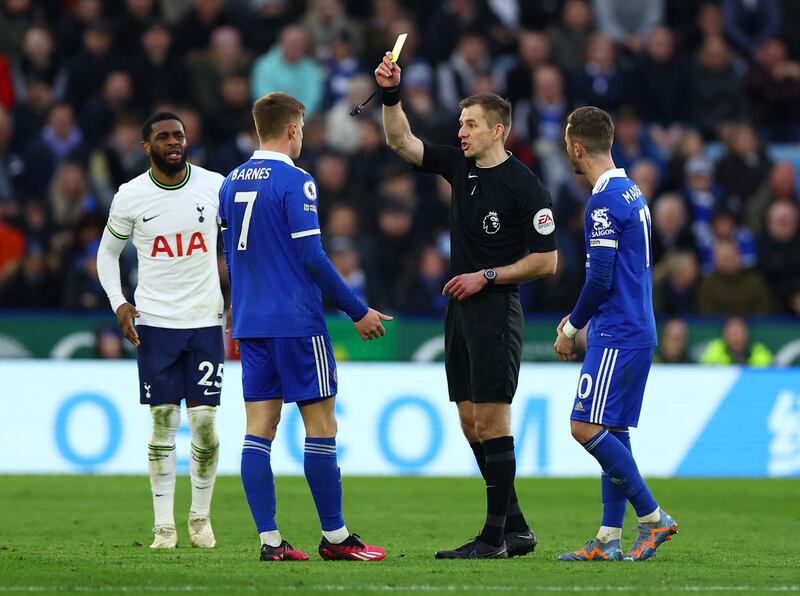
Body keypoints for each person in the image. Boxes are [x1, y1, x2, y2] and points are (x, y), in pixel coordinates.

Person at [375, 51, 558, 559]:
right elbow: (400, 140)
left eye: (471, 124)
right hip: (460, 310)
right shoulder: (460, 166)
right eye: (460, 123)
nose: (461, 132)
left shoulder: (525, 186)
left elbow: (548, 262)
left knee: (493, 422)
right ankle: (516, 526)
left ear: (498, 130)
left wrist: (488, 276)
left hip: (497, 310)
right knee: (469, 421)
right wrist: (391, 93)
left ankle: (494, 538)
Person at [219, 92, 390, 562]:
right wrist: (357, 310)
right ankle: (335, 538)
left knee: (258, 431)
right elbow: (312, 257)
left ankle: (270, 542)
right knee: (321, 426)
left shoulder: (230, 183)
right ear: (293, 130)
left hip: (250, 323)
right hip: (296, 322)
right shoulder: (297, 181)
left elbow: (233, 256)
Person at [554, 106, 678, 562]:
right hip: (637, 327)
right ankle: (608, 539)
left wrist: (571, 326)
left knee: (584, 426)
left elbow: (601, 277)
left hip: (617, 333)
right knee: (613, 431)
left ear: (577, 147)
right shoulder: (632, 193)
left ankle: (652, 516)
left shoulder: (603, 202)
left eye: (566, 141)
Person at [96, 112, 225, 550]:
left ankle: (200, 518)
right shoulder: (130, 196)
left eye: (180, 135)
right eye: (164, 137)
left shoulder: (215, 186)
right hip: (156, 325)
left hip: (206, 321)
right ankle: (164, 527)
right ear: (146, 146)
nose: (174, 142)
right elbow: (106, 255)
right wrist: (120, 304)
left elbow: (242, 246)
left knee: (205, 424)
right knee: (164, 422)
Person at [700, 316, 773, 366]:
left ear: (746, 333)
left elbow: (765, 373)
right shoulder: (714, 349)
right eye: (732, 331)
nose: (735, 334)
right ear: (724, 334)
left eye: (738, 330)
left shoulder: (759, 351)